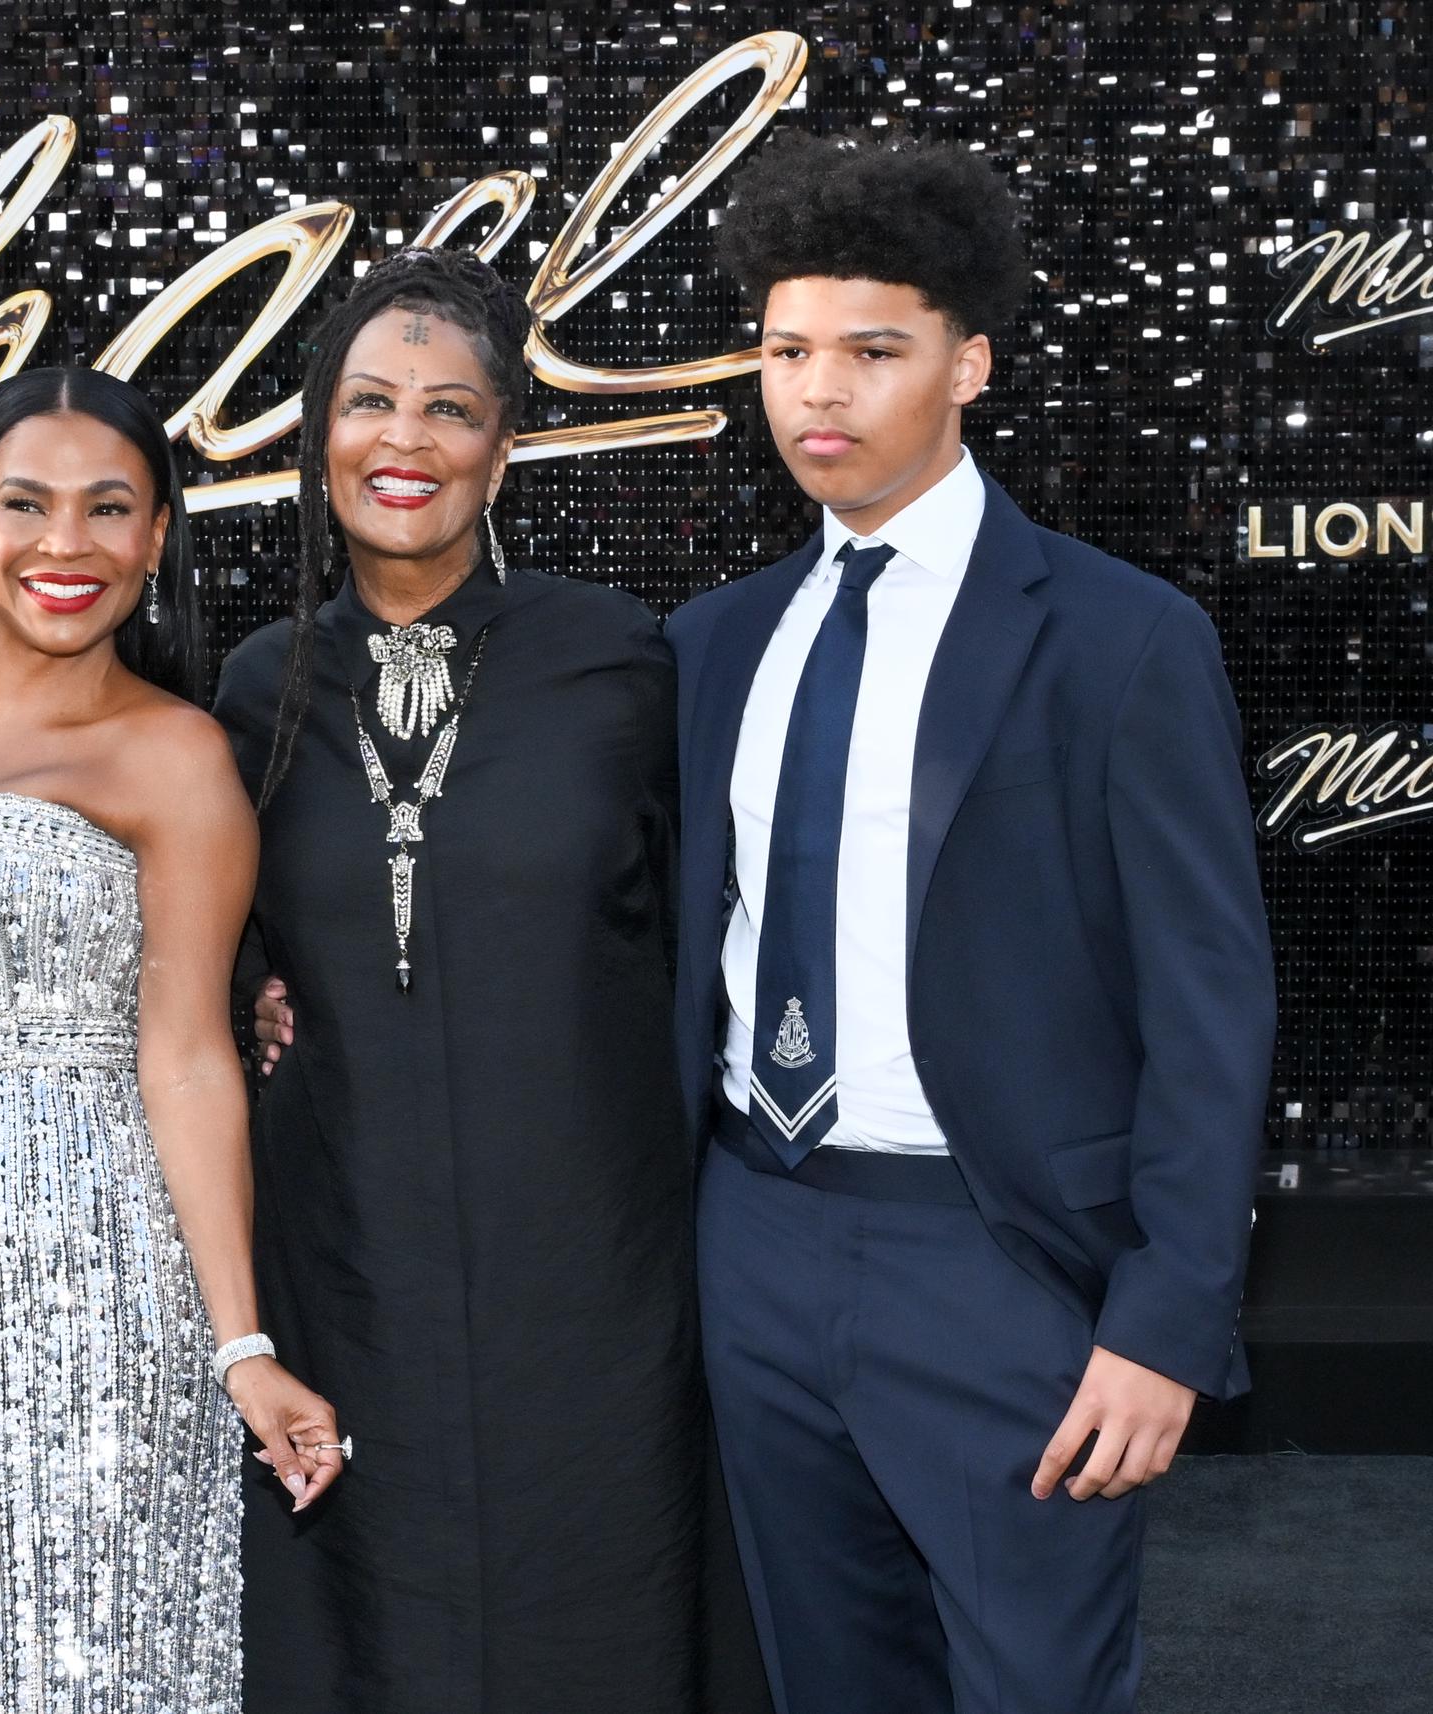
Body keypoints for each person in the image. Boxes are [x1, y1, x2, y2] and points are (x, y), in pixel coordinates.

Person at [671, 131, 1275, 1714]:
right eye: (790, 351)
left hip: (1002, 1260)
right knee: (827, 1684)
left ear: (970, 363)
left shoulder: (1121, 638)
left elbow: (1212, 1007)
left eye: (874, 350)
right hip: (757, 1229)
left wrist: (1167, 1318)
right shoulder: (717, 643)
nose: (822, 390)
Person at [218, 249, 765, 1714]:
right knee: (369, 1608)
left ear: (505, 447)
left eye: (450, 410)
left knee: (601, 1581)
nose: (406, 442)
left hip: (594, 1250)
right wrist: (250, 989)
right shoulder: (257, 684)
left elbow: (722, 917)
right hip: (350, 1247)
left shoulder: (620, 659)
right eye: (369, 402)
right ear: (316, 430)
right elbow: (210, 935)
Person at [0, 365, 342, 1713]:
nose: (63, 544)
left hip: (106, 1283)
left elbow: (191, 1053)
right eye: (25, 503)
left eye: (109, 508)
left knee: (113, 1659)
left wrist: (241, 1344)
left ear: (157, 538)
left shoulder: (177, 756)